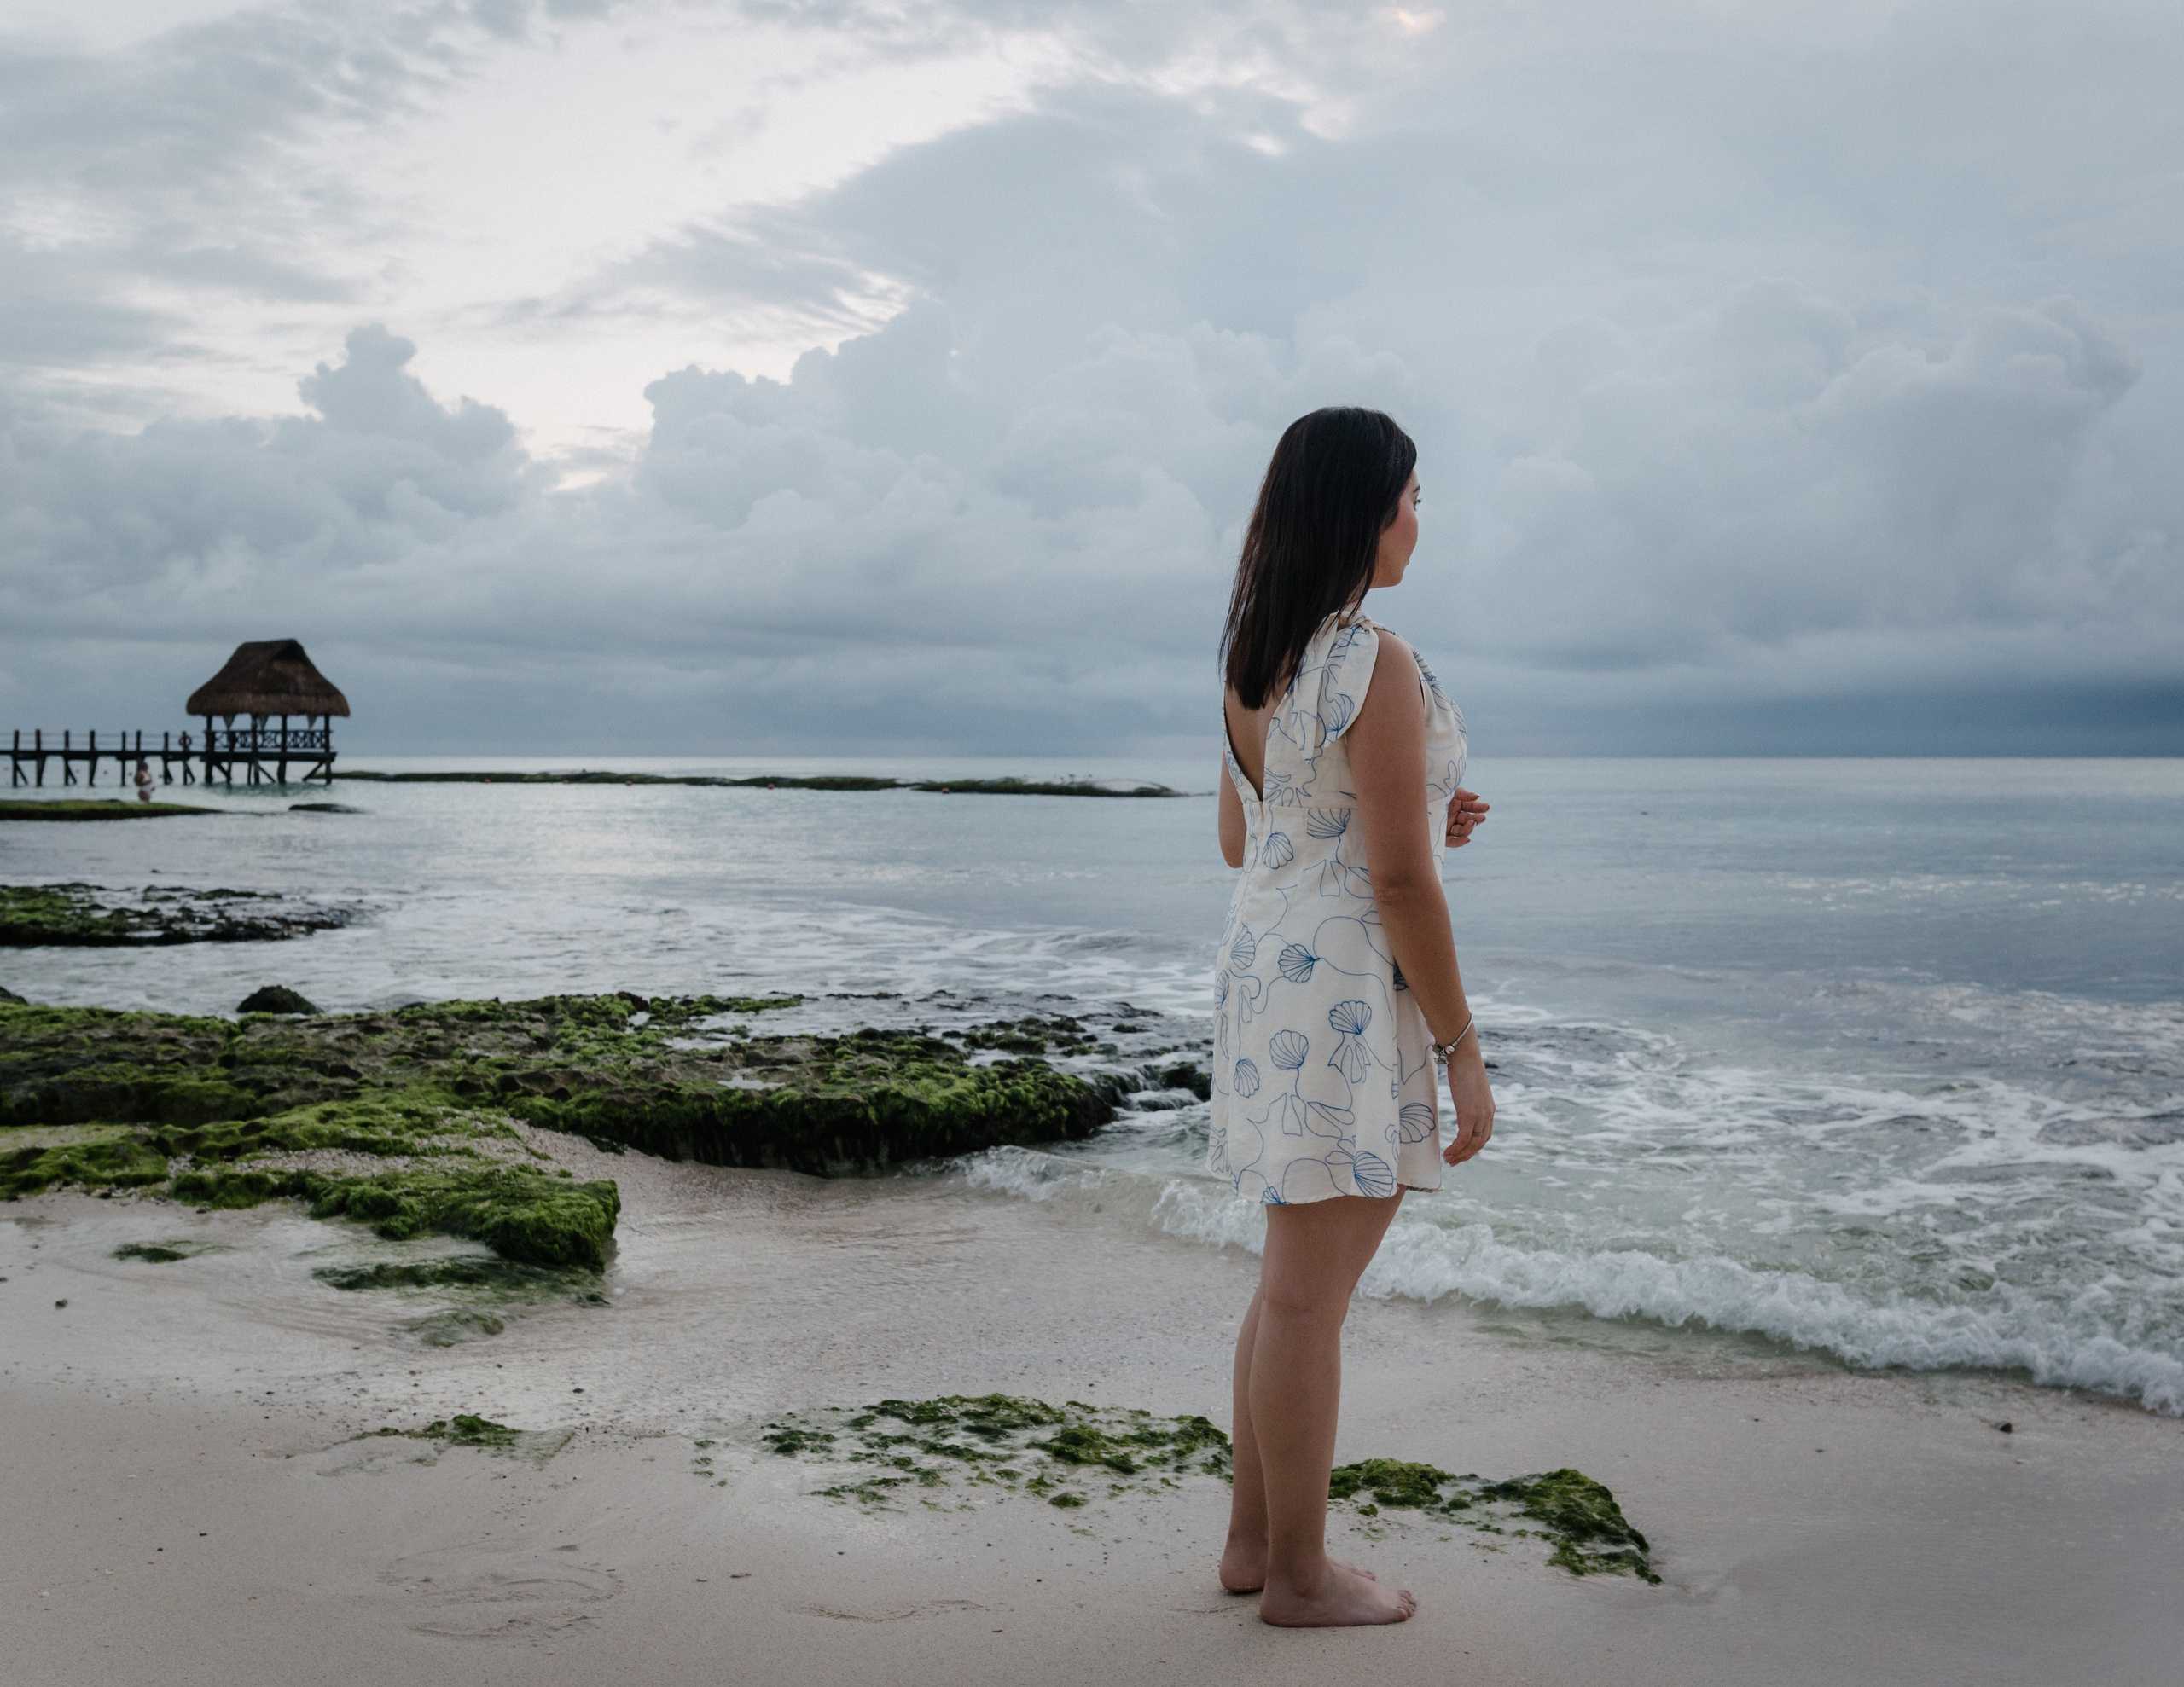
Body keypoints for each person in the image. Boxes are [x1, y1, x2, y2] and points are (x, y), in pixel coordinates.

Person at [1211, 407, 1495, 1626]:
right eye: (1413, 497)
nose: (1420, 522)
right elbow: (1396, 880)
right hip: (1341, 994)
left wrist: (1424, 812)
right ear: (1365, 510)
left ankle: (1250, 1543)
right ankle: (1300, 1574)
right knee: (1308, 1296)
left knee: (1288, 1281)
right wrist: (1463, 1047)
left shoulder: (1252, 659)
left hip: (1267, 975)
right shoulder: (1374, 657)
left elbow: (1250, 836)